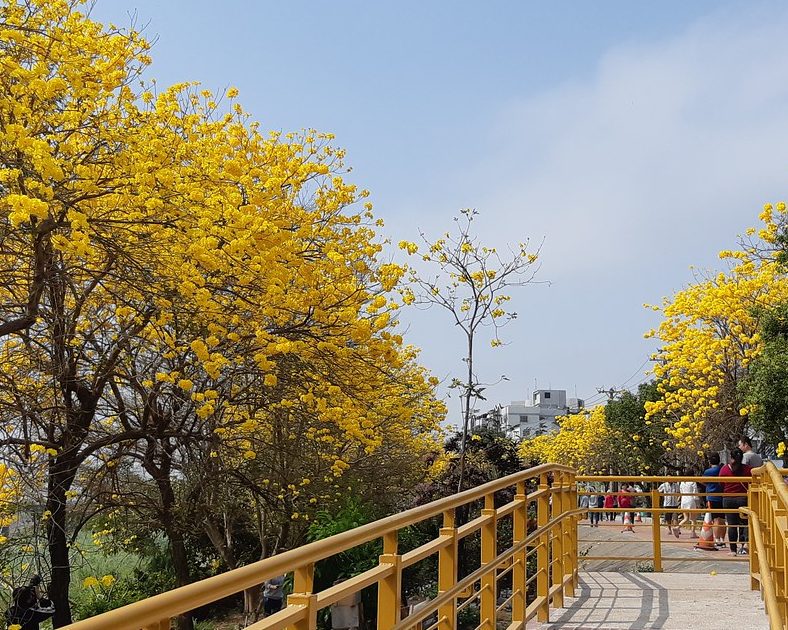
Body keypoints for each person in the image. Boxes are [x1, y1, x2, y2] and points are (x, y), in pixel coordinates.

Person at [720, 448, 753, 555]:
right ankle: (744, 546)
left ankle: (733, 550)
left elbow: (721, 484)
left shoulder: (725, 469)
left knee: (732, 525)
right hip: (743, 498)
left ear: (731, 458)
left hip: (728, 499)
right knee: (744, 524)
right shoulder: (748, 469)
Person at [703, 453, 727, 546]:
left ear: (710, 461)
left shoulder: (707, 472)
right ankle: (722, 539)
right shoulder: (722, 469)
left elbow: (703, 481)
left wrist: (709, 485)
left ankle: (717, 540)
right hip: (723, 496)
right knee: (722, 519)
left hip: (712, 497)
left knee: (716, 519)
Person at [679, 473, 699, 538]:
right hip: (691, 500)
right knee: (693, 519)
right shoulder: (692, 482)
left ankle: (677, 527)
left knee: (686, 518)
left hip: (684, 500)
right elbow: (695, 493)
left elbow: (681, 492)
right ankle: (693, 533)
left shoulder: (682, 482)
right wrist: (698, 503)